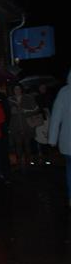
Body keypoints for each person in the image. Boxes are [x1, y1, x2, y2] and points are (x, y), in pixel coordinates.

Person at [49, 68, 71, 208]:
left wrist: (52, 138)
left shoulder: (64, 93)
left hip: (68, 141)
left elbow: (56, 117)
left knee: (70, 169)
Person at [8, 84, 40, 170]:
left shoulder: (28, 98)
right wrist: (11, 111)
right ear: (13, 90)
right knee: (18, 145)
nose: (17, 90)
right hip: (15, 126)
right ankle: (19, 163)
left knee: (27, 144)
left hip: (27, 126)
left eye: (18, 88)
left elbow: (36, 110)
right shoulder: (10, 100)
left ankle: (28, 163)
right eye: (15, 89)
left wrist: (24, 111)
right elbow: (6, 113)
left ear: (21, 89)